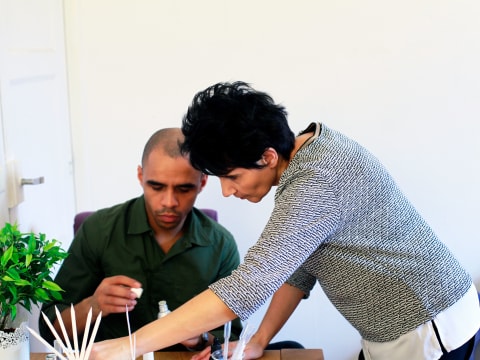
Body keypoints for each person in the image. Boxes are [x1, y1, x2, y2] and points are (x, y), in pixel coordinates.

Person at [90, 82, 480, 360]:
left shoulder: (317, 180)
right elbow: (299, 267)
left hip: (427, 326)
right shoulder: (306, 159)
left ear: (268, 156)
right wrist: (259, 340)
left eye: (232, 177)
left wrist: (128, 346)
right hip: (397, 329)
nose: (227, 191)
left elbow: (247, 287)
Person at [39, 127, 242, 351]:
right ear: (140, 176)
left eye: (184, 189)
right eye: (157, 186)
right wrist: (93, 306)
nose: (169, 202)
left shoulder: (222, 245)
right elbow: (49, 329)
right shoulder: (98, 231)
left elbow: (232, 339)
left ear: (202, 182)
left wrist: (200, 337)